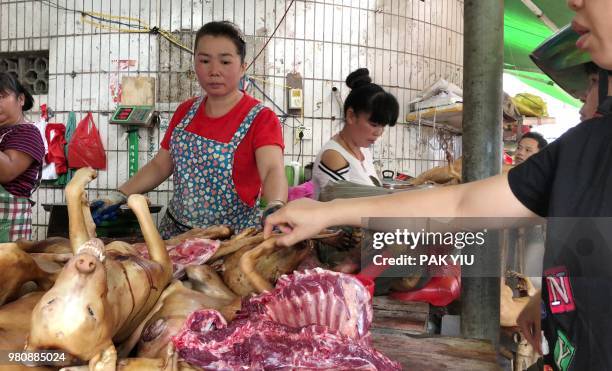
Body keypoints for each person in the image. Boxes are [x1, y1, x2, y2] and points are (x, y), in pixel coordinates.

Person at [265, 1, 612, 369]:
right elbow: (462, 205)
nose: (575, 1)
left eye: (592, 84)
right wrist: (327, 212)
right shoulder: (583, 145)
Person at [92, 21, 287, 238]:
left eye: (225, 61)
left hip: (230, 240)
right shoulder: (185, 111)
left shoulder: (261, 118)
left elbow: (272, 169)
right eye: (204, 60)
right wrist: (119, 195)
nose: (214, 71)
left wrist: (275, 205)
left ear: (243, 66)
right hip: (176, 236)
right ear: (194, 64)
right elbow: (160, 165)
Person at [312, 68, 398, 197]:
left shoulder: (363, 151)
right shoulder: (334, 157)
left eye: (383, 126)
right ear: (351, 116)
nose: (379, 133)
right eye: (374, 124)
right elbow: (342, 212)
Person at [0, 73, 44, 242]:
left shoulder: (27, 133)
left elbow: (6, 171)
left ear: (20, 99)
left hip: (7, 228)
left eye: (1, 97)